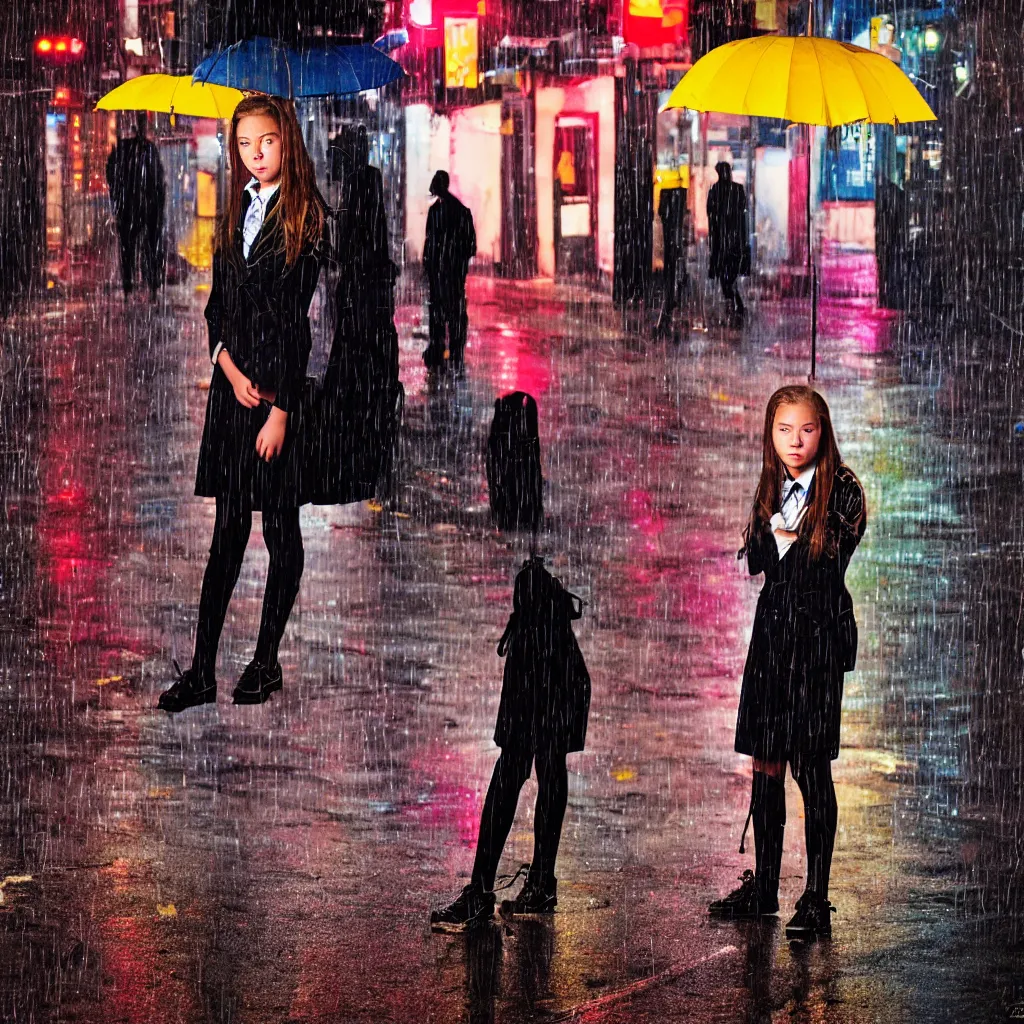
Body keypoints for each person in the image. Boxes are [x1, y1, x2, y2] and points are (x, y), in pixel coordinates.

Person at [157, 95, 325, 712]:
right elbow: (217, 307)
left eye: (267, 142)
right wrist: (226, 367)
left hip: (279, 401)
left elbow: (300, 323)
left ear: (288, 143)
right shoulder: (235, 215)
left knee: (281, 528)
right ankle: (202, 669)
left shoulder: (308, 219)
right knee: (227, 532)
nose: (256, 154)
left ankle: (265, 659)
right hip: (234, 396)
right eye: (245, 144)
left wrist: (280, 407)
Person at [708, 385, 866, 941]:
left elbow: (824, 566)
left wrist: (786, 534)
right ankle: (766, 888)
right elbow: (756, 560)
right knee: (767, 762)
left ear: (823, 431)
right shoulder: (772, 481)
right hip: (773, 639)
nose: (795, 442)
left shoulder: (842, 490)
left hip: (816, 643)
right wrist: (775, 530)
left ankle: (817, 895)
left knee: (810, 765)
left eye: (806, 430)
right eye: (783, 430)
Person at [431, 557, 590, 930]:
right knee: (538, 764)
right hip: (550, 644)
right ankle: (533, 883)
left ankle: (489, 890)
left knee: (520, 766)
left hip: (544, 647)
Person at [106, 111, 166, 301]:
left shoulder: (124, 150)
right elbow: (158, 180)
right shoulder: (146, 149)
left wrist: (119, 198)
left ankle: (131, 288)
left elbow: (112, 176)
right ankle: (146, 288)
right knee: (143, 249)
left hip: (132, 209)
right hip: (142, 209)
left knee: (130, 249)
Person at [422, 170, 475, 372]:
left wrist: (433, 264)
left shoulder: (439, 211)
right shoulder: (459, 211)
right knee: (453, 313)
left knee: (440, 312)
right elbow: (470, 245)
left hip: (443, 274)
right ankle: (454, 352)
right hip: (450, 275)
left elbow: (431, 243)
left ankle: (441, 349)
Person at [706, 161, 749, 326]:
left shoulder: (717, 191)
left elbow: (712, 215)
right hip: (731, 240)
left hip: (725, 241)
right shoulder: (735, 190)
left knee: (727, 277)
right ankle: (735, 305)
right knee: (729, 277)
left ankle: (734, 304)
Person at [656, 178, 688, 336]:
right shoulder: (680, 197)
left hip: (670, 242)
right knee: (675, 269)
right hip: (675, 242)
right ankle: (673, 299)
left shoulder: (667, 196)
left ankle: (670, 300)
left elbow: (662, 213)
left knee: (671, 270)